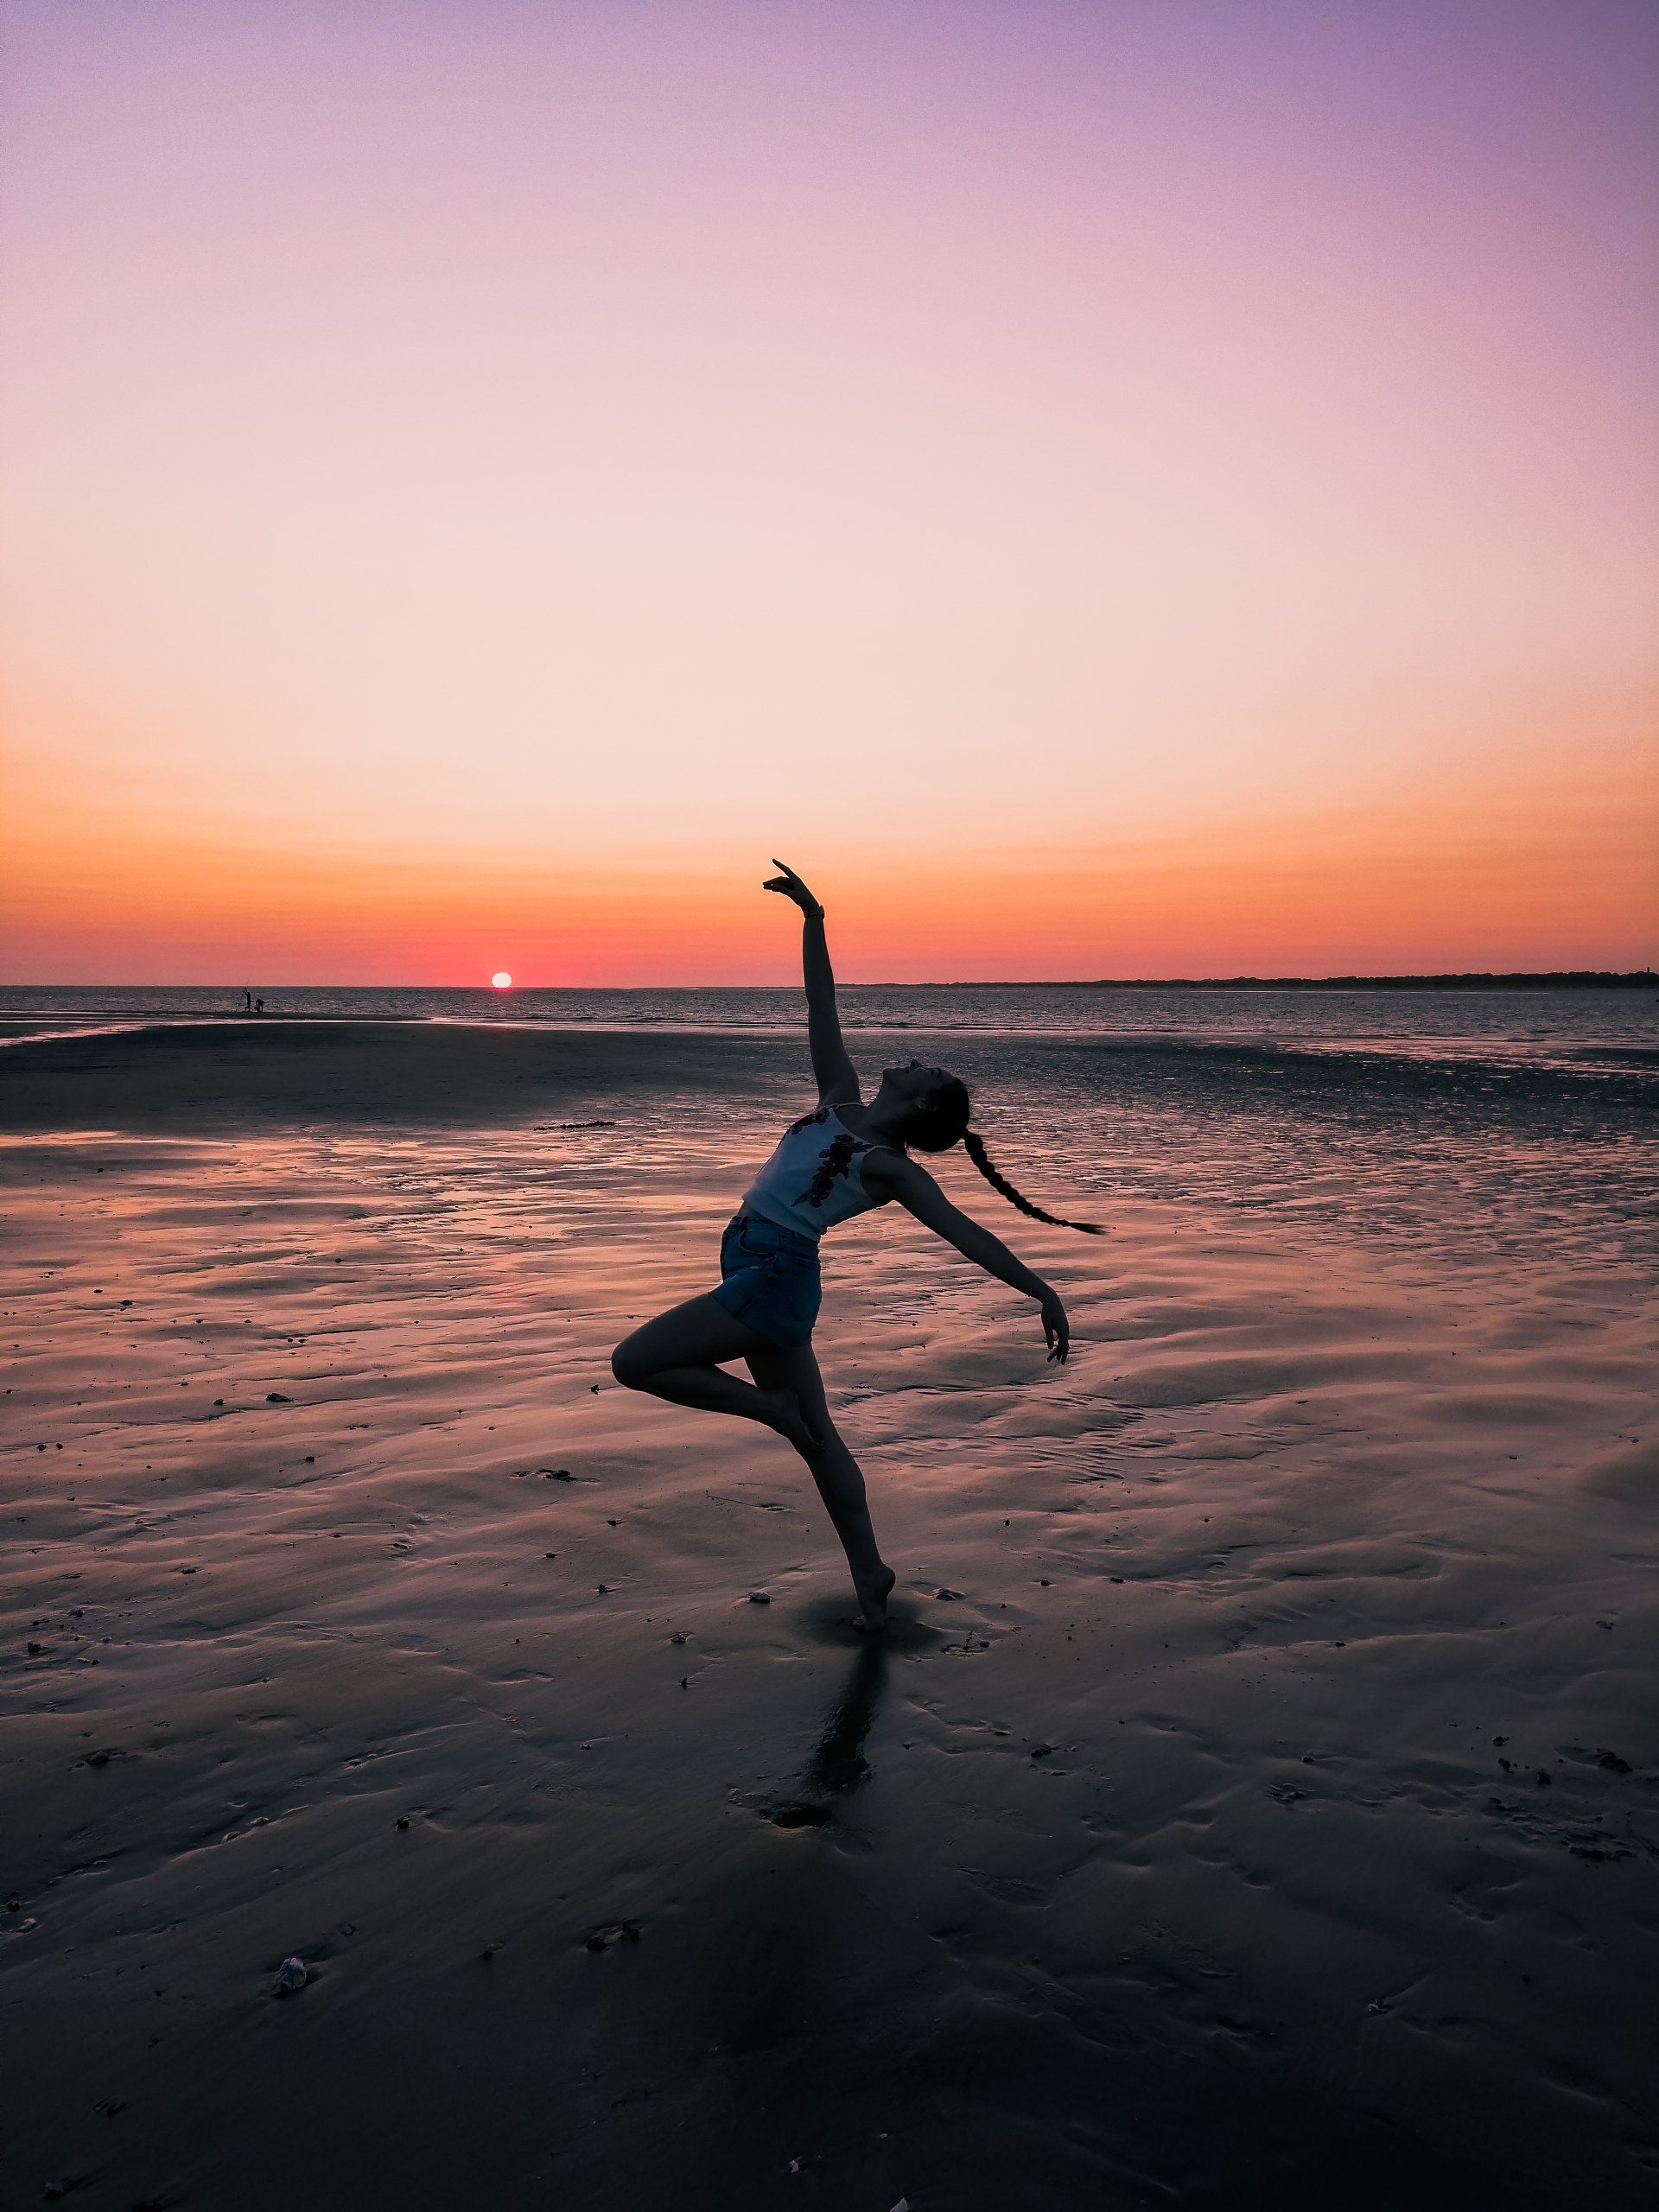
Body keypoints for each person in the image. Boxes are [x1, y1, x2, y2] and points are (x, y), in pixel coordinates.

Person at [611, 861, 1103, 1630]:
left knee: (635, 1363)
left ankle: (767, 1408)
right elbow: (821, 1005)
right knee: (821, 1440)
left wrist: (1041, 1290)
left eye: (926, 1069)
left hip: (773, 1277)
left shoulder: (887, 1169)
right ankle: (869, 1573)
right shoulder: (839, 1100)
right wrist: (814, 918)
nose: (911, 1058)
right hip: (758, 1268)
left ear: (922, 1103)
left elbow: (967, 1233)